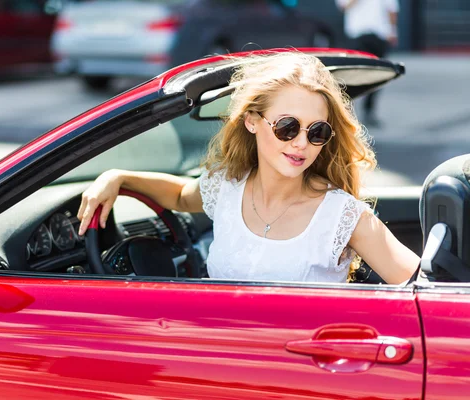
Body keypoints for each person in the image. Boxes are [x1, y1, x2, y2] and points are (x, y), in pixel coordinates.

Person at [77, 51, 419, 285]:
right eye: (287, 127)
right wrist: (117, 177)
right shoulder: (227, 186)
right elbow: (181, 195)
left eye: (317, 132)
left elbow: (423, 287)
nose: (301, 143)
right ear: (253, 121)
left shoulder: (343, 216)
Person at [336, 0, 399, 127]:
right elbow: (344, 7)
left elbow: (391, 9)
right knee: (351, 75)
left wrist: (392, 31)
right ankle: (346, 113)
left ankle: (369, 111)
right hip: (357, 36)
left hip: (379, 36)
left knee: (378, 75)